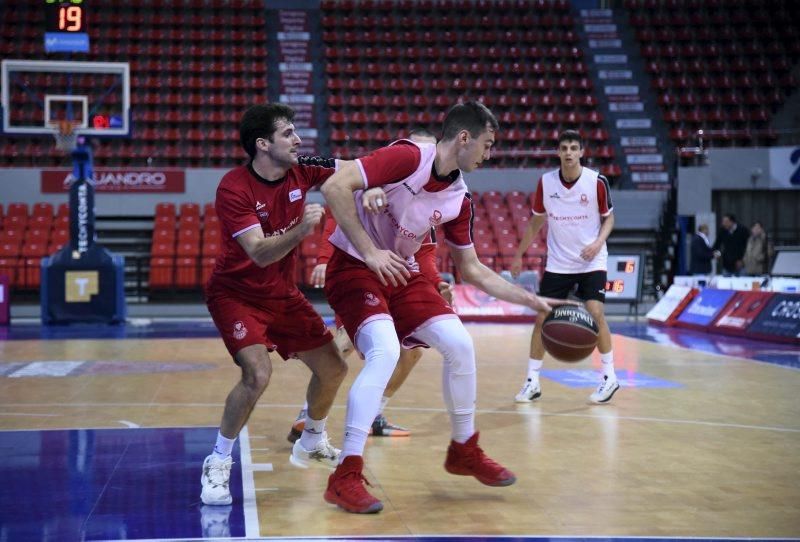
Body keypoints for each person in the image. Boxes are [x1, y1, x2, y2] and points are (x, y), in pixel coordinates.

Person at [319, 101, 570, 514]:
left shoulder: (459, 198)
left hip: (404, 270)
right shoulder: (408, 156)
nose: (489, 155)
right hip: (355, 266)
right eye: (487, 145)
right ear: (464, 138)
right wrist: (369, 253)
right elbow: (333, 187)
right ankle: (345, 474)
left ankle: (463, 448)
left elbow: (471, 269)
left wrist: (530, 300)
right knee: (385, 353)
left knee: (460, 344)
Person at [200, 104, 348, 506]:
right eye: (288, 134)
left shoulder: (304, 168)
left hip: (281, 294)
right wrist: (303, 229)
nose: (298, 140)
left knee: (334, 367)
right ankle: (217, 461)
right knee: (257, 374)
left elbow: (358, 168)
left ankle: (312, 439)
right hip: (236, 294)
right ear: (263, 144)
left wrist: (378, 185)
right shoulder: (234, 187)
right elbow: (259, 253)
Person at [287, 129, 450, 441]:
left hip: (398, 280)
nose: (422, 159)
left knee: (413, 349)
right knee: (347, 342)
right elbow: (337, 215)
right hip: (357, 273)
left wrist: (436, 284)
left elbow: (426, 250)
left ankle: (376, 413)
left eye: (429, 152)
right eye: (416, 150)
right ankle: (307, 415)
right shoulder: (376, 177)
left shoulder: (427, 200)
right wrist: (324, 258)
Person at [510, 129, 619, 405]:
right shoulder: (546, 183)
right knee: (541, 317)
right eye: (564, 148)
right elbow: (536, 222)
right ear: (558, 153)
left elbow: (609, 219)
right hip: (559, 262)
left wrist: (598, 242)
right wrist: (519, 254)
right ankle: (532, 381)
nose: (569, 153)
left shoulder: (597, 182)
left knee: (595, 311)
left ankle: (609, 377)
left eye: (573, 148)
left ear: (581, 152)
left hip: (591, 259)